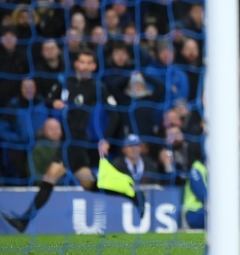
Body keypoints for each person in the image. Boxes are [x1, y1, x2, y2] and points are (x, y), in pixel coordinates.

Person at [2, 48, 143, 233]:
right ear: (76, 64)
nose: (85, 66)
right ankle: (133, 195)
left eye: (89, 63)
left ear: (94, 66)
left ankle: (24, 222)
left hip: (76, 140)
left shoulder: (96, 87)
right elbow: (49, 99)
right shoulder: (66, 82)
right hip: (67, 139)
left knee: (49, 178)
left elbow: (114, 115)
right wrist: (55, 103)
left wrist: (106, 139)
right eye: (82, 62)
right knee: (90, 185)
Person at [183, 156, 240, 229]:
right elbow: (203, 195)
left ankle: (235, 232)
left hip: (221, 208)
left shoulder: (230, 167)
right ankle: (229, 229)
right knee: (219, 206)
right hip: (196, 212)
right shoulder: (198, 168)